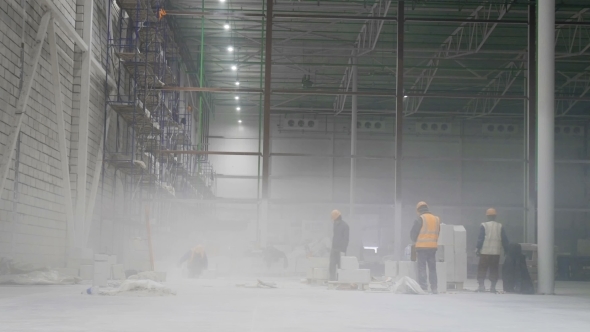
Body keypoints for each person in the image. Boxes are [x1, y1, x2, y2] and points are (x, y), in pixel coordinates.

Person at [476, 208, 510, 293]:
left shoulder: (484, 225)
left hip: (485, 252)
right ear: (495, 216)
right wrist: (506, 250)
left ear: (487, 216)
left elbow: (481, 238)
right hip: (496, 253)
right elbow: (504, 239)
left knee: (482, 268)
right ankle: (493, 287)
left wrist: (477, 248)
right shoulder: (500, 226)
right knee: (494, 269)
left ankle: (481, 286)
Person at [410, 201, 441, 294]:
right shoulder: (436, 219)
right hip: (432, 247)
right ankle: (434, 288)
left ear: (418, 210)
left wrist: (415, 240)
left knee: (422, 267)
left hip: (422, 247)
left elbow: (413, 233)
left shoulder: (421, 218)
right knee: (432, 268)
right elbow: (438, 232)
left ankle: (423, 287)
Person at [329, 210, 349, 281]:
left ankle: (340, 279)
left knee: (341, 266)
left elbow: (346, 239)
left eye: (334, 219)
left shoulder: (345, 226)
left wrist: (343, 250)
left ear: (337, 218)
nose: (333, 221)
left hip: (341, 249)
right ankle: (332, 279)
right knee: (332, 265)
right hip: (334, 248)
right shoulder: (335, 224)